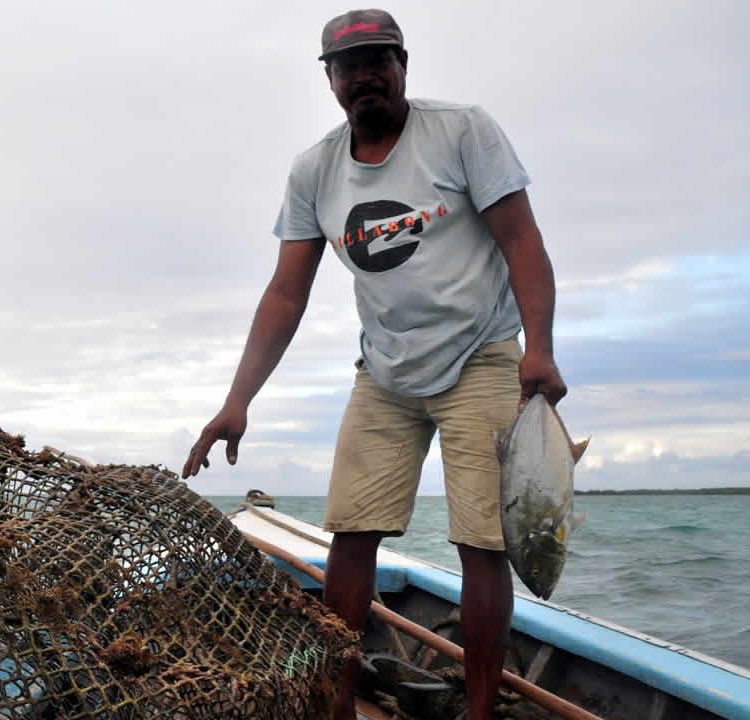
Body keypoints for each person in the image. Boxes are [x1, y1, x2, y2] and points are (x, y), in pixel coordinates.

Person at [180, 9, 566, 720]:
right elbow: (285, 292)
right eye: (348, 67)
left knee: (483, 540)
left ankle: (480, 710)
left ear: (403, 65)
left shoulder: (462, 131)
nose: (365, 77)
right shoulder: (315, 170)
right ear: (330, 80)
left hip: (481, 357)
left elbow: (522, 241)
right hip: (385, 372)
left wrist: (537, 347)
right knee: (351, 533)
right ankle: (335, 702)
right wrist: (238, 401)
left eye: (378, 61)